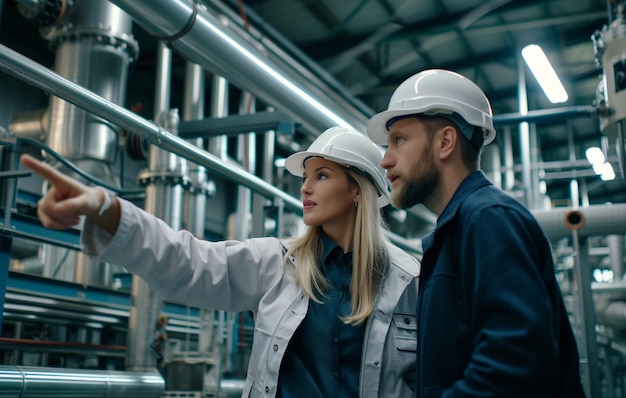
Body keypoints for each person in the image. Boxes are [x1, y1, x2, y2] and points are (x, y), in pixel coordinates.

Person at [20, 126, 420, 398]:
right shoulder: (278, 264)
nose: (305, 187)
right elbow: (188, 262)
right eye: (306, 176)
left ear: (357, 190)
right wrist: (105, 209)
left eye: (322, 175)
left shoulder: (411, 281)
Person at [366, 69, 585, 397]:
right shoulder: (455, 233)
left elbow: (516, 365)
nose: (385, 160)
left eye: (399, 140)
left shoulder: (488, 220)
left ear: (445, 142)